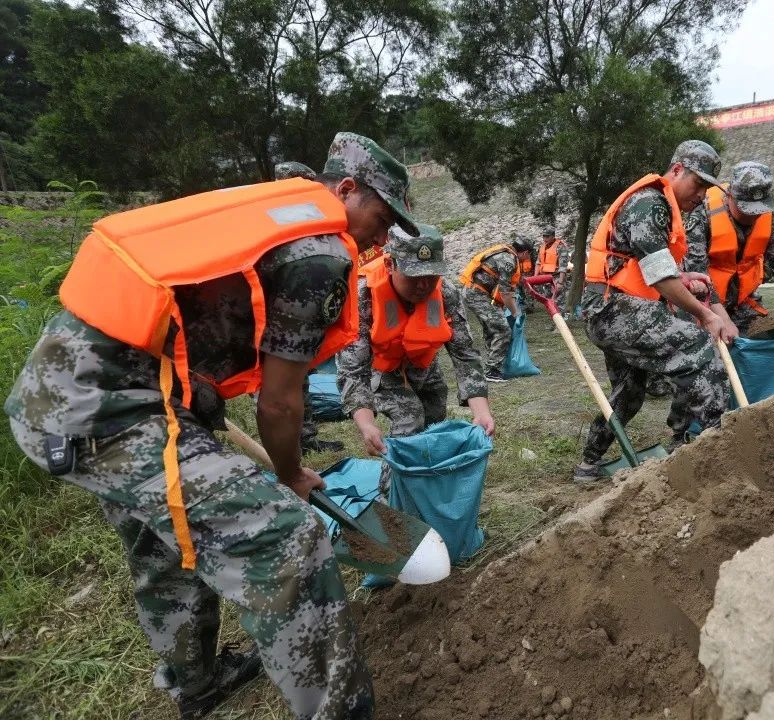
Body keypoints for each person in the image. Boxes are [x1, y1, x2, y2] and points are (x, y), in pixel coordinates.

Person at [5, 132, 418, 719]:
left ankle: (197, 684)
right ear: (346, 189)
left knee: (164, 540)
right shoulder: (320, 251)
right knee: (285, 538)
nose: (384, 236)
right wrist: (290, 474)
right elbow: (279, 404)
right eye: (382, 216)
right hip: (109, 407)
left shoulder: (270, 213)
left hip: (57, 392)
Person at [573, 140, 734, 484]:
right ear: (677, 171)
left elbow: (649, 268)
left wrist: (683, 278)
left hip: (615, 311)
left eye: (708, 188)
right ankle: (716, 447)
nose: (702, 195)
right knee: (698, 347)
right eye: (699, 184)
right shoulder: (650, 203)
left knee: (629, 392)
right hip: (614, 311)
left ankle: (588, 463)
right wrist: (706, 315)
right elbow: (660, 277)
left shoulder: (660, 207)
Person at [337, 224, 494, 494]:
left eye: (431, 276)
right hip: (382, 369)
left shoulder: (446, 294)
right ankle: (392, 494)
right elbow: (353, 370)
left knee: (435, 420)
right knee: (410, 419)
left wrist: (481, 412)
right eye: (413, 276)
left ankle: (430, 480)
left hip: (424, 365)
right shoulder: (362, 297)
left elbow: (465, 355)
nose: (423, 285)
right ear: (390, 264)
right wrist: (366, 424)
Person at [683, 161, 774, 333]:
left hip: (743, 301)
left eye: (759, 209)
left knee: (770, 341)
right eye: (746, 209)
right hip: (704, 301)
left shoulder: (770, 217)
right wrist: (723, 319)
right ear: (729, 195)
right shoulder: (703, 212)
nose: (753, 215)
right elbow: (696, 269)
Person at [274, 160, 346, 453]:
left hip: (298, 311)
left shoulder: (304, 220)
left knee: (302, 380)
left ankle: (306, 440)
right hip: (273, 316)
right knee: (277, 389)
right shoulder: (273, 219)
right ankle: (286, 450)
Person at [458, 236, 534, 382]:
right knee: (502, 330)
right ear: (524, 252)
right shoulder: (509, 261)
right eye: (528, 254)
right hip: (477, 294)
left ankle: (494, 366)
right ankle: (492, 371)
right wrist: (515, 313)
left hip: (475, 292)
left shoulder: (506, 254)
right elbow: (505, 293)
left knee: (492, 328)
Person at [535, 226, 570, 316]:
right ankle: (555, 321)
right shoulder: (542, 247)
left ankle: (561, 324)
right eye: (544, 236)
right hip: (545, 277)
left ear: (553, 236)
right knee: (548, 300)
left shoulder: (561, 247)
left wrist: (560, 282)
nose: (545, 239)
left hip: (556, 277)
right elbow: (538, 262)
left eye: (547, 236)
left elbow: (563, 266)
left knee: (558, 301)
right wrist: (535, 278)